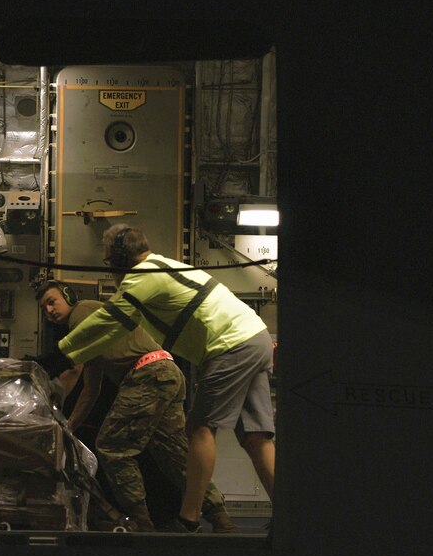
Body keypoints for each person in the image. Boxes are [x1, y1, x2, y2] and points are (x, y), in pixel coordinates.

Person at [34, 224, 275, 534]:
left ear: (121, 258)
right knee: (256, 438)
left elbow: (110, 322)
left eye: (110, 262)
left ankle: (187, 521)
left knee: (198, 428)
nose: (111, 271)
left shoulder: (142, 277)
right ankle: (276, 514)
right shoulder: (163, 266)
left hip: (227, 345)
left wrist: (57, 357)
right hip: (255, 336)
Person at [33, 279, 239, 533]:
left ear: (68, 296)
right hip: (166, 373)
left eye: (52, 302)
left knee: (112, 446)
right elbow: (91, 388)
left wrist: (42, 396)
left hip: (146, 375)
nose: (49, 310)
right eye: (43, 308)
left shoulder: (82, 313)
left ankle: (142, 523)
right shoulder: (94, 323)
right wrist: (69, 426)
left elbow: (73, 369)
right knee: (175, 454)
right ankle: (221, 518)